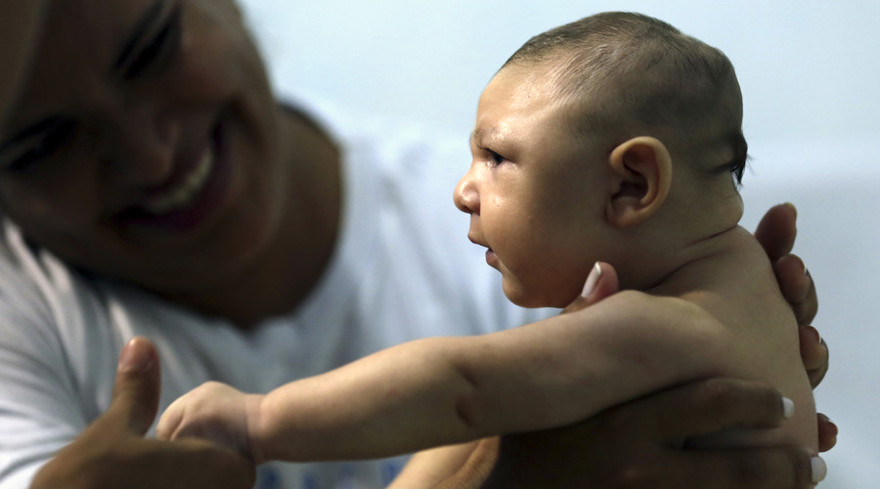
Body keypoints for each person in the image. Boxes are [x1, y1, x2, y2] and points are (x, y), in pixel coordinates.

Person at [0, 2, 832, 489]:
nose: (465, 190)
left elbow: (467, 388)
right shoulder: (723, 281)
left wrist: (259, 421)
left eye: (495, 158)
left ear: (630, 187)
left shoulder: (626, 298)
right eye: (42, 142)